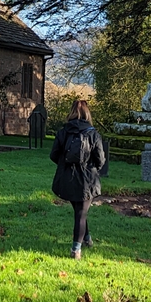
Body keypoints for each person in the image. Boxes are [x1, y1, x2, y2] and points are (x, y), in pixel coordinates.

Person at [49, 99, 107, 259]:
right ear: (87, 114)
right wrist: (92, 169)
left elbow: (53, 155)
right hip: (87, 180)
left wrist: (65, 165)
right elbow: (101, 159)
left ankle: (87, 239)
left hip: (67, 178)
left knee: (79, 211)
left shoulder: (63, 132)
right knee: (81, 213)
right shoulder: (93, 134)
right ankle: (76, 249)